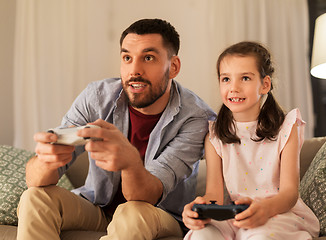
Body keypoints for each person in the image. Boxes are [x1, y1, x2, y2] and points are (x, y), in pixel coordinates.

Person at [17, 18, 216, 240]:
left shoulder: (196, 118)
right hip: (96, 207)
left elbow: (144, 196)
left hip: (157, 214)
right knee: (34, 198)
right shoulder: (96, 97)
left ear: (174, 67)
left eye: (148, 58)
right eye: (127, 58)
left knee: (131, 212)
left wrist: (130, 162)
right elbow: (35, 180)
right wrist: (45, 160)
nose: (135, 70)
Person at [182, 41, 320, 240]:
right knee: (202, 235)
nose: (234, 88)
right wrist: (198, 210)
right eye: (226, 79)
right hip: (237, 215)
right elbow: (215, 196)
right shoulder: (214, 135)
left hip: (278, 213)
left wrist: (264, 208)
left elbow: (289, 194)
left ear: (265, 85)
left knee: (259, 236)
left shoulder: (287, 127)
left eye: (245, 78)